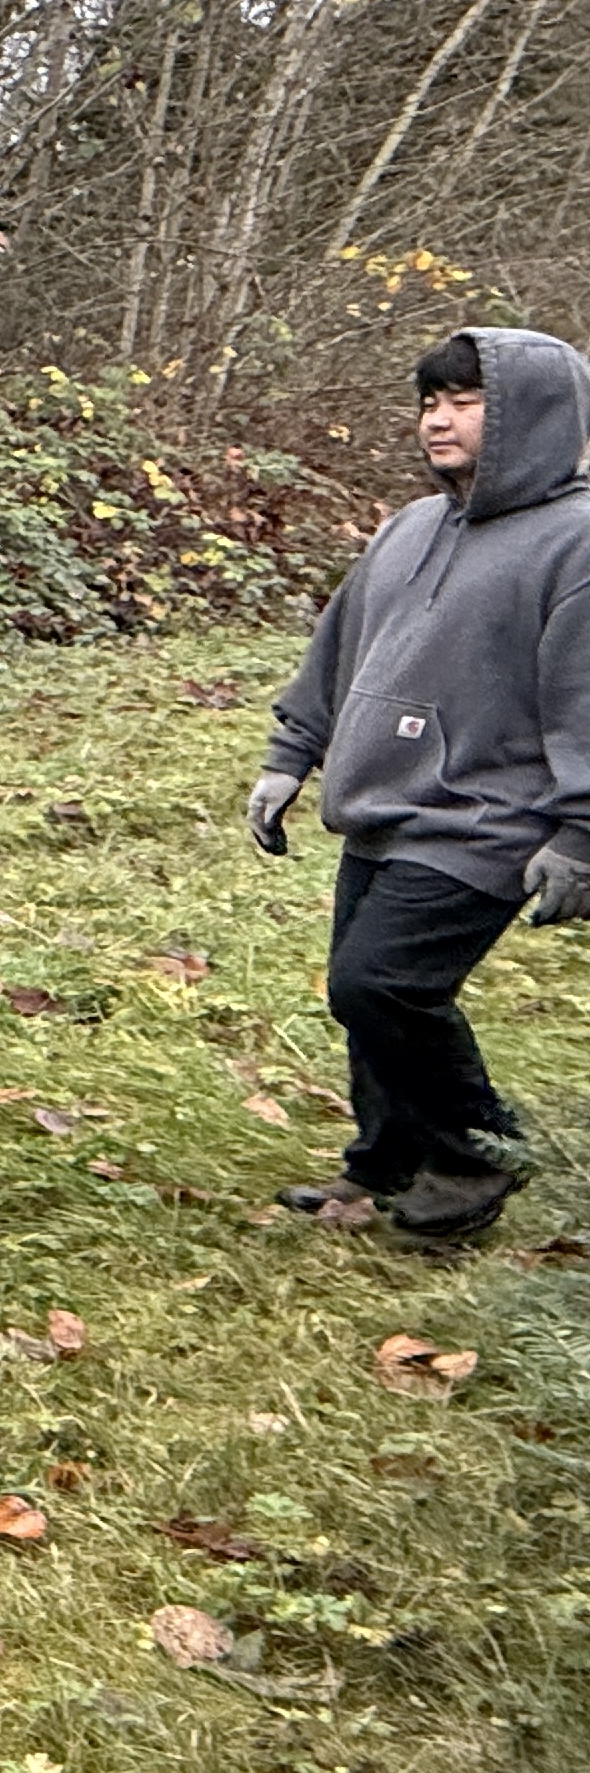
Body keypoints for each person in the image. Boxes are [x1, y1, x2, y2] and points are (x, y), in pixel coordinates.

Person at [251, 326, 590, 1250]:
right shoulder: (411, 525)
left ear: (533, 415)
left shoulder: (578, 544)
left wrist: (580, 838)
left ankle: (478, 1152)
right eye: (430, 401)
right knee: (359, 994)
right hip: (382, 806)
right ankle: (386, 1164)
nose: (438, 421)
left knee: (382, 984)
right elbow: (338, 650)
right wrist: (291, 756)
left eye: (466, 402)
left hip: (490, 818)